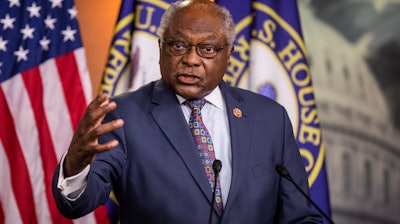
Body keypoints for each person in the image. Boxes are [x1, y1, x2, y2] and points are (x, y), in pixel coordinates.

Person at [52, 0, 322, 223]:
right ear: (161, 49)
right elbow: (78, 204)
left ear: (228, 54)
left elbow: (299, 217)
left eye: (207, 49)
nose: (191, 60)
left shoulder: (270, 119)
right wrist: (75, 164)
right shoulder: (123, 115)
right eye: (178, 45)